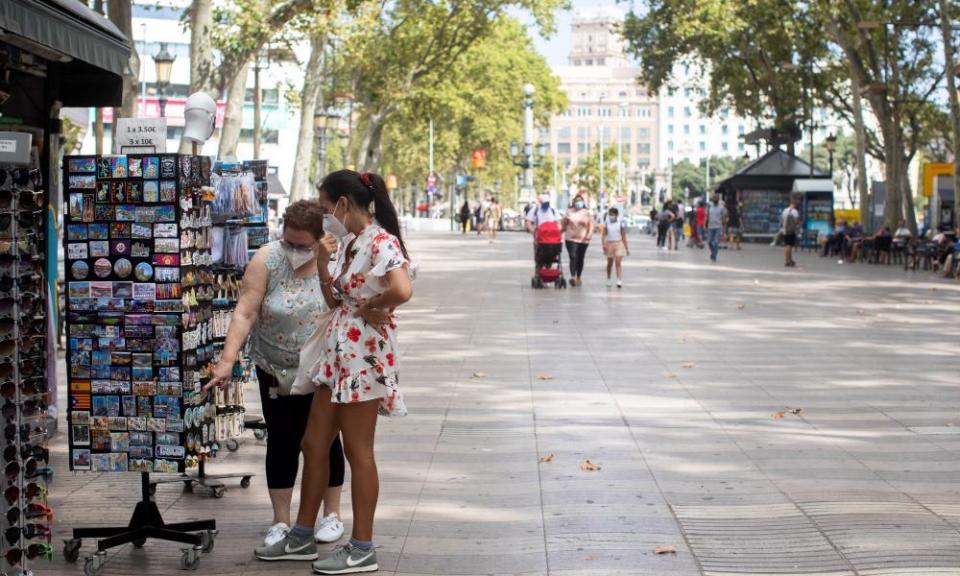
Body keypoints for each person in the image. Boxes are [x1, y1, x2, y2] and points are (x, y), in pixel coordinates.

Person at [254, 171, 412, 576]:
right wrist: (325, 264)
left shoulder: (380, 241)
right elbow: (334, 296)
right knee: (314, 440)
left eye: (327, 208)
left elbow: (402, 289)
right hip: (338, 352)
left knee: (358, 452)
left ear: (344, 203)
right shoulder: (347, 243)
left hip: (362, 355)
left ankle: (362, 546)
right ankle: (302, 534)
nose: (325, 217)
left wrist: (372, 305)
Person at [207, 200, 345, 548]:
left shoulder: (334, 259)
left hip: (323, 367)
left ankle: (332, 514)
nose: (295, 251)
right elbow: (245, 312)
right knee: (283, 439)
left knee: (325, 439)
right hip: (274, 366)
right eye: (290, 243)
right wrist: (227, 359)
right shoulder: (267, 258)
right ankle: (281, 520)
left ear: (320, 238)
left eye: (304, 245)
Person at [561, 194, 593, 286]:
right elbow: (563, 224)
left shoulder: (586, 212)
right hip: (570, 238)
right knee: (573, 256)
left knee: (580, 258)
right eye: (577, 200)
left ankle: (578, 276)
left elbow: (591, 225)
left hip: (583, 239)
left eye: (580, 201)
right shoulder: (569, 212)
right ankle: (572, 276)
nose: (579, 202)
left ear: (583, 202)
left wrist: (589, 234)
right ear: (573, 202)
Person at [602, 206, 629, 288]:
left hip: (619, 243)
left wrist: (627, 248)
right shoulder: (607, 222)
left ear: (617, 215)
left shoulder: (621, 223)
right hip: (609, 243)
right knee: (609, 263)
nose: (611, 216)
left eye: (612, 214)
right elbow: (604, 234)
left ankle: (619, 280)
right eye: (609, 214)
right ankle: (609, 279)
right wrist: (603, 244)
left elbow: (623, 235)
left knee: (618, 262)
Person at [707, 195, 728, 262]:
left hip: (718, 227)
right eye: (714, 199)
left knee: (716, 242)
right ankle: (713, 252)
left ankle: (714, 255)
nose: (715, 200)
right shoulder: (710, 207)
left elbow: (724, 218)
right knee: (709, 241)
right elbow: (707, 216)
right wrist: (705, 224)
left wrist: (724, 230)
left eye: (716, 199)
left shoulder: (721, 208)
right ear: (712, 200)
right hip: (710, 227)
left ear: (718, 200)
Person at [781, 195, 800, 267]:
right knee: (790, 245)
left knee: (786, 245)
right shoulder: (795, 212)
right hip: (791, 231)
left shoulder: (785, 210)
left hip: (785, 230)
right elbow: (797, 221)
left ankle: (787, 260)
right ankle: (788, 261)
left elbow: (782, 220)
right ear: (794, 205)